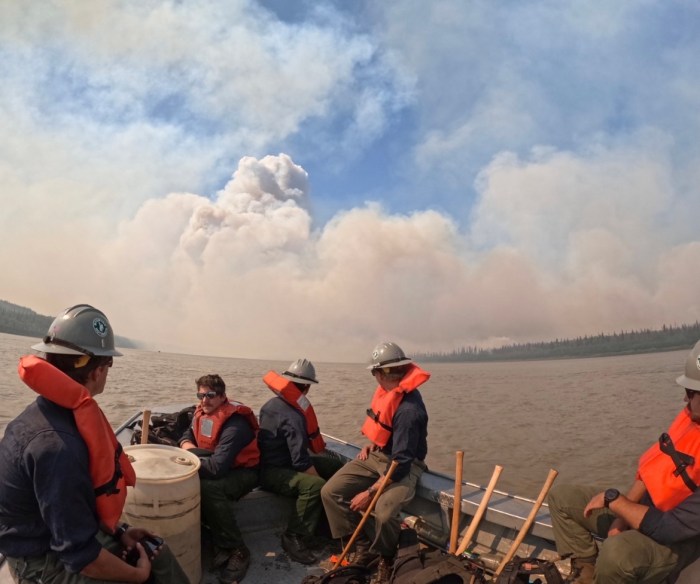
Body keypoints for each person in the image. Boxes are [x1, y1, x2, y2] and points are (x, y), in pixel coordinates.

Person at [0, 304, 189, 584]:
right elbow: (81, 558)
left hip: (61, 535)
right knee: (144, 574)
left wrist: (120, 531)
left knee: (156, 552)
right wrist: (137, 576)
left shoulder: (58, 414)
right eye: (109, 364)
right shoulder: (56, 446)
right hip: (41, 560)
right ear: (98, 371)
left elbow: (74, 508)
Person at [547, 339, 700, 584]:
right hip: (646, 515)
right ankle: (586, 575)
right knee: (562, 498)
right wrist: (622, 515)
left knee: (617, 554)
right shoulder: (691, 418)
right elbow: (651, 470)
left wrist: (616, 502)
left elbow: (669, 528)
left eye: (692, 393)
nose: (685, 399)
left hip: (678, 541)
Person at [321, 341, 430, 584]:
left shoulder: (409, 411)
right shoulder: (389, 392)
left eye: (374, 373)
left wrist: (370, 493)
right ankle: (363, 547)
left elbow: (401, 463)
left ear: (380, 374)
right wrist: (375, 442)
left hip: (405, 465)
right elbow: (385, 428)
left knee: (384, 512)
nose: (374, 378)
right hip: (379, 455)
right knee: (330, 491)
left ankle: (386, 557)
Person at [258, 359, 344, 564]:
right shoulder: (293, 416)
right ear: (307, 387)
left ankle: (325, 527)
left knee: (335, 468)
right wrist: (325, 489)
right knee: (316, 486)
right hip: (271, 471)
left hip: (280, 462)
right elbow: (301, 462)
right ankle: (294, 535)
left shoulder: (270, 404)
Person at [179, 373, 260, 584]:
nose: (204, 400)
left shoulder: (235, 425)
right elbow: (185, 436)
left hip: (245, 472)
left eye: (210, 395)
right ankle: (214, 535)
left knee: (207, 487)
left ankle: (237, 549)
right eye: (201, 395)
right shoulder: (201, 413)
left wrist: (189, 459)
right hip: (215, 462)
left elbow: (216, 469)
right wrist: (190, 449)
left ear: (222, 396)